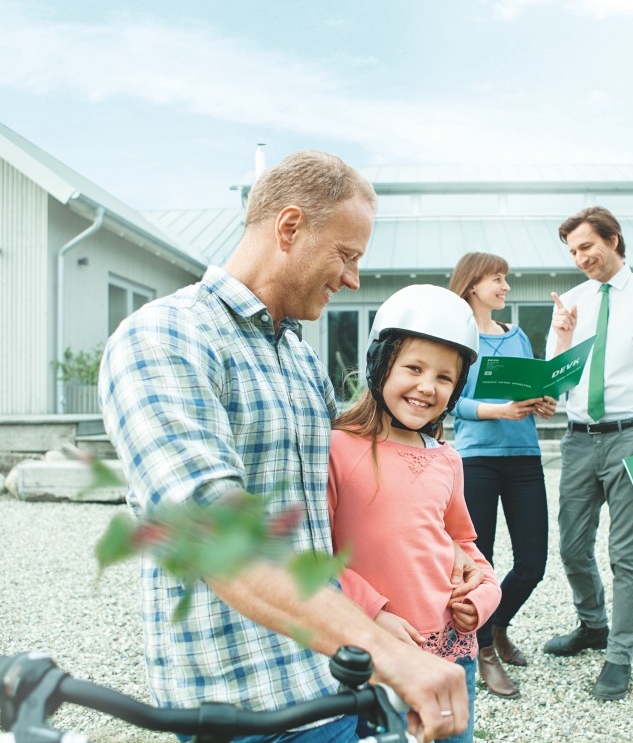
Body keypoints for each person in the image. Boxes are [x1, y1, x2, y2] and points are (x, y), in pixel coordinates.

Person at [99, 151, 474, 743]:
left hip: (336, 680)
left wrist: (428, 572)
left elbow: (334, 520)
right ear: (290, 227)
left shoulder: (299, 357)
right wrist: (382, 649)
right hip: (246, 705)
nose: (352, 279)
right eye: (347, 255)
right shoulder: (165, 338)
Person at [328, 284, 502, 743]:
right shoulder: (338, 448)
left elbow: (466, 547)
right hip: (375, 655)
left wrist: (482, 600)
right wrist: (374, 612)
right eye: (414, 368)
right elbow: (315, 551)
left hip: (452, 658)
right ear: (379, 365)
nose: (428, 386)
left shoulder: (449, 459)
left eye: (445, 378)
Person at [543, 206, 633, 701]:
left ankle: (619, 655)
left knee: (626, 555)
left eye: (586, 246)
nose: (580, 257)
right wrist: (561, 335)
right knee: (570, 546)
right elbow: (556, 382)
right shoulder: (573, 302)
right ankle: (593, 624)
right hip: (579, 438)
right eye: (572, 251)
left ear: (613, 240)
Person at [448, 253, 557, 699]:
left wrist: (541, 403)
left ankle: (496, 626)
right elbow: (451, 402)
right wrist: (499, 410)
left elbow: (531, 390)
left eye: (506, 279)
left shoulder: (518, 337)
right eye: (497, 279)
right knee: (482, 562)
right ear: (473, 285)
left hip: (525, 456)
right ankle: (483, 650)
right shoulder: (457, 338)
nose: (505, 286)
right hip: (477, 460)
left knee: (533, 561)